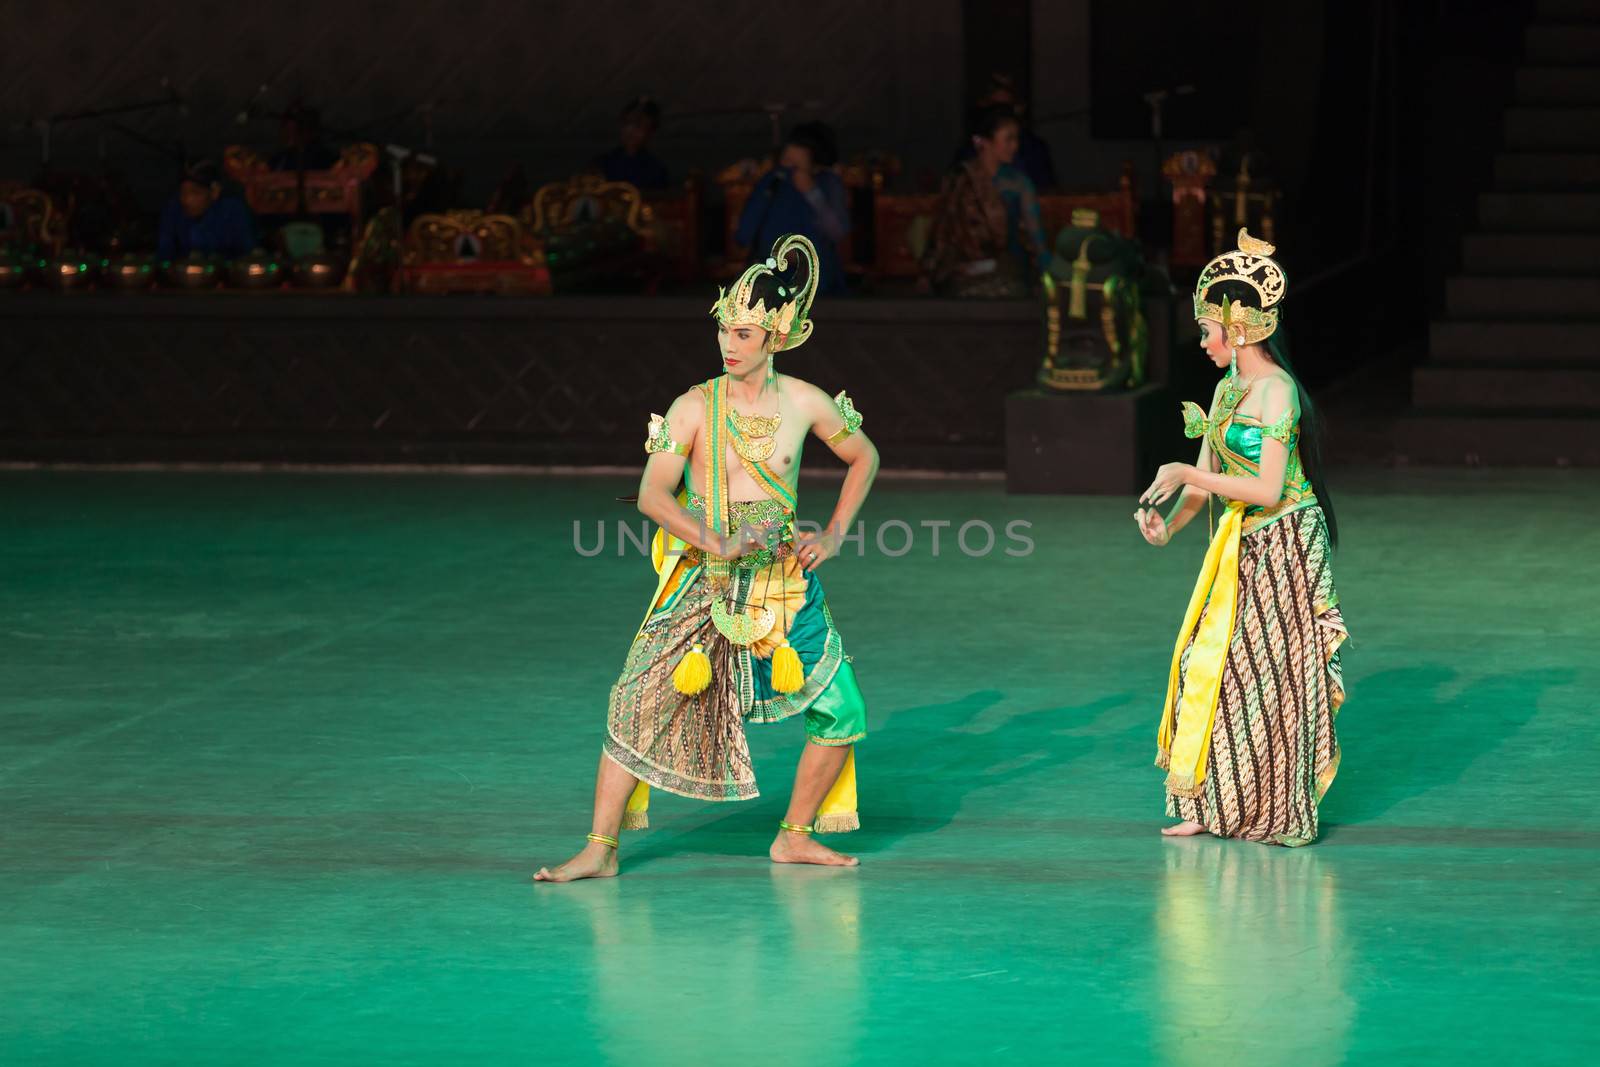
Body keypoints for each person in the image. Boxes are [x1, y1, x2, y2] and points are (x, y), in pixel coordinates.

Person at [535, 233, 879, 882]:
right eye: (725, 327)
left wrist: (833, 533)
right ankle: (600, 848)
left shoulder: (806, 402)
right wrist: (716, 541)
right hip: (706, 577)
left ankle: (794, 836)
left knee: (844, 708)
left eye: (745, 332)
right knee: (636, 702)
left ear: (777, 335)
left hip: (782, 581)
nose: (729, 342)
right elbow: (651, 493)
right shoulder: (693, 407)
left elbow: (865, 457)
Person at [1134, 229, 1347, 847]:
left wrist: (1182, 472)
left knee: (1269, 676)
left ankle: (1274, 807)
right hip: (1240, 540)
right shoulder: (1228, 389)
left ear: (1242, 328)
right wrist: (1169, 523)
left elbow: (1268, 486)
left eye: (1208, 330)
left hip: (1284, 543)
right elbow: (1208, 481)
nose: (1202, 342)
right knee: (1213, 663)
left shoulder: (1277, 391)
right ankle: (1214, 800)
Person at [923, 105, 1051, 298]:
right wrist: (927, 272)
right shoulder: (961, 179)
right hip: (962, 273)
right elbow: (942, 230)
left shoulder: (1018, 184)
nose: (1014, 146)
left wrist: (1046, 273)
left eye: (1016, 139)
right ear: (983, 142)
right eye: (1008, 139)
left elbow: (1035, 236)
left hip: (1007, 271)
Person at [735, 123, 850, 295]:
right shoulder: (774, 181)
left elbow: (837, 231)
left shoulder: (827, 183)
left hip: (815, 279)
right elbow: (745, 231)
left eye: (799, 147)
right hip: (771, 274)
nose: (791, 152)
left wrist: (811, 192)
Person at [950, 74, 1059, 192]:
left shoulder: (1034, 150)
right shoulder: (967, 154)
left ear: (1019, 108)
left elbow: (1047, 196)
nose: (999, 117)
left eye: (1006, 110)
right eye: (993, 109)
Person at [155, 160, 257, 261]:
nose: (187, 200)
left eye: (196, 193)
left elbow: (248, 253)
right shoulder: (173, 210)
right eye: (183, 193)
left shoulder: (233, 211)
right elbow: (164, 253)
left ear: (214, 192)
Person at [593, 96, 671, 192]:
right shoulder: (602, 164)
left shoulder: (656, 171)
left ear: (650, 132)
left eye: (638, 126)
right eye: (627, 123)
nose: (631, 130)